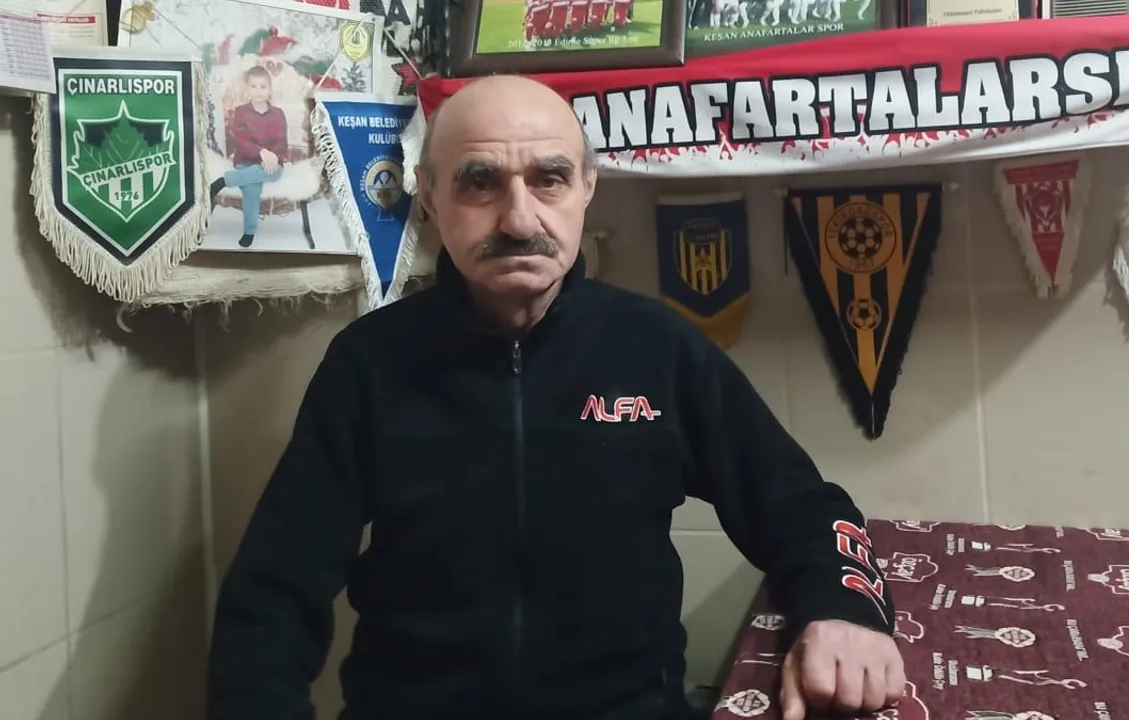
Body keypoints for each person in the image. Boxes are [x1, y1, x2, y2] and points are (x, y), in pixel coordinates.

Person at [207, 75, 904, 720]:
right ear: (429, 196)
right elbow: (273, 593)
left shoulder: (656, 347)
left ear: (587, 188)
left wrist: (844, 611)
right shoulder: (368, 363)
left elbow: (799, 506)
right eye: (480, 182)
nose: (519, 219)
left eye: (549, 179)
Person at [209, 65, 287, 248]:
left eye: (263, 86)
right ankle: (250, 231)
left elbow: (281, 141)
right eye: (253, 86)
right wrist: (262, 152)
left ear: (270, 90)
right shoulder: (241, 112)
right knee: (251, 187)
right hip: (246, 161)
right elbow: (241, 141)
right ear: (247, 89)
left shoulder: (278, 114)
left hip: (272, 164)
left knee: (273, 173)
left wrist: (273, 156)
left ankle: (225, 181)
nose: (258, 91)